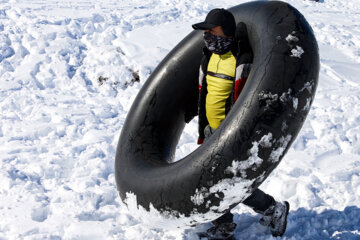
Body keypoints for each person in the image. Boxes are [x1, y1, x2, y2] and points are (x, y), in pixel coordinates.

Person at [191, 8, 290, 239]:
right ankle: (228, 224)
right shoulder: (208, 57)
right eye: (206, 32)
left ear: (226, 33)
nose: (207, 36)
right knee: (216, 181)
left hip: (230, 135)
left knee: (226, 182)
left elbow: (246, 102)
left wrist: (238, 136)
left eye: (212, 32)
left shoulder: (241, 61)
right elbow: (204, 93)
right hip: (210, 131)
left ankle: (271, 209)